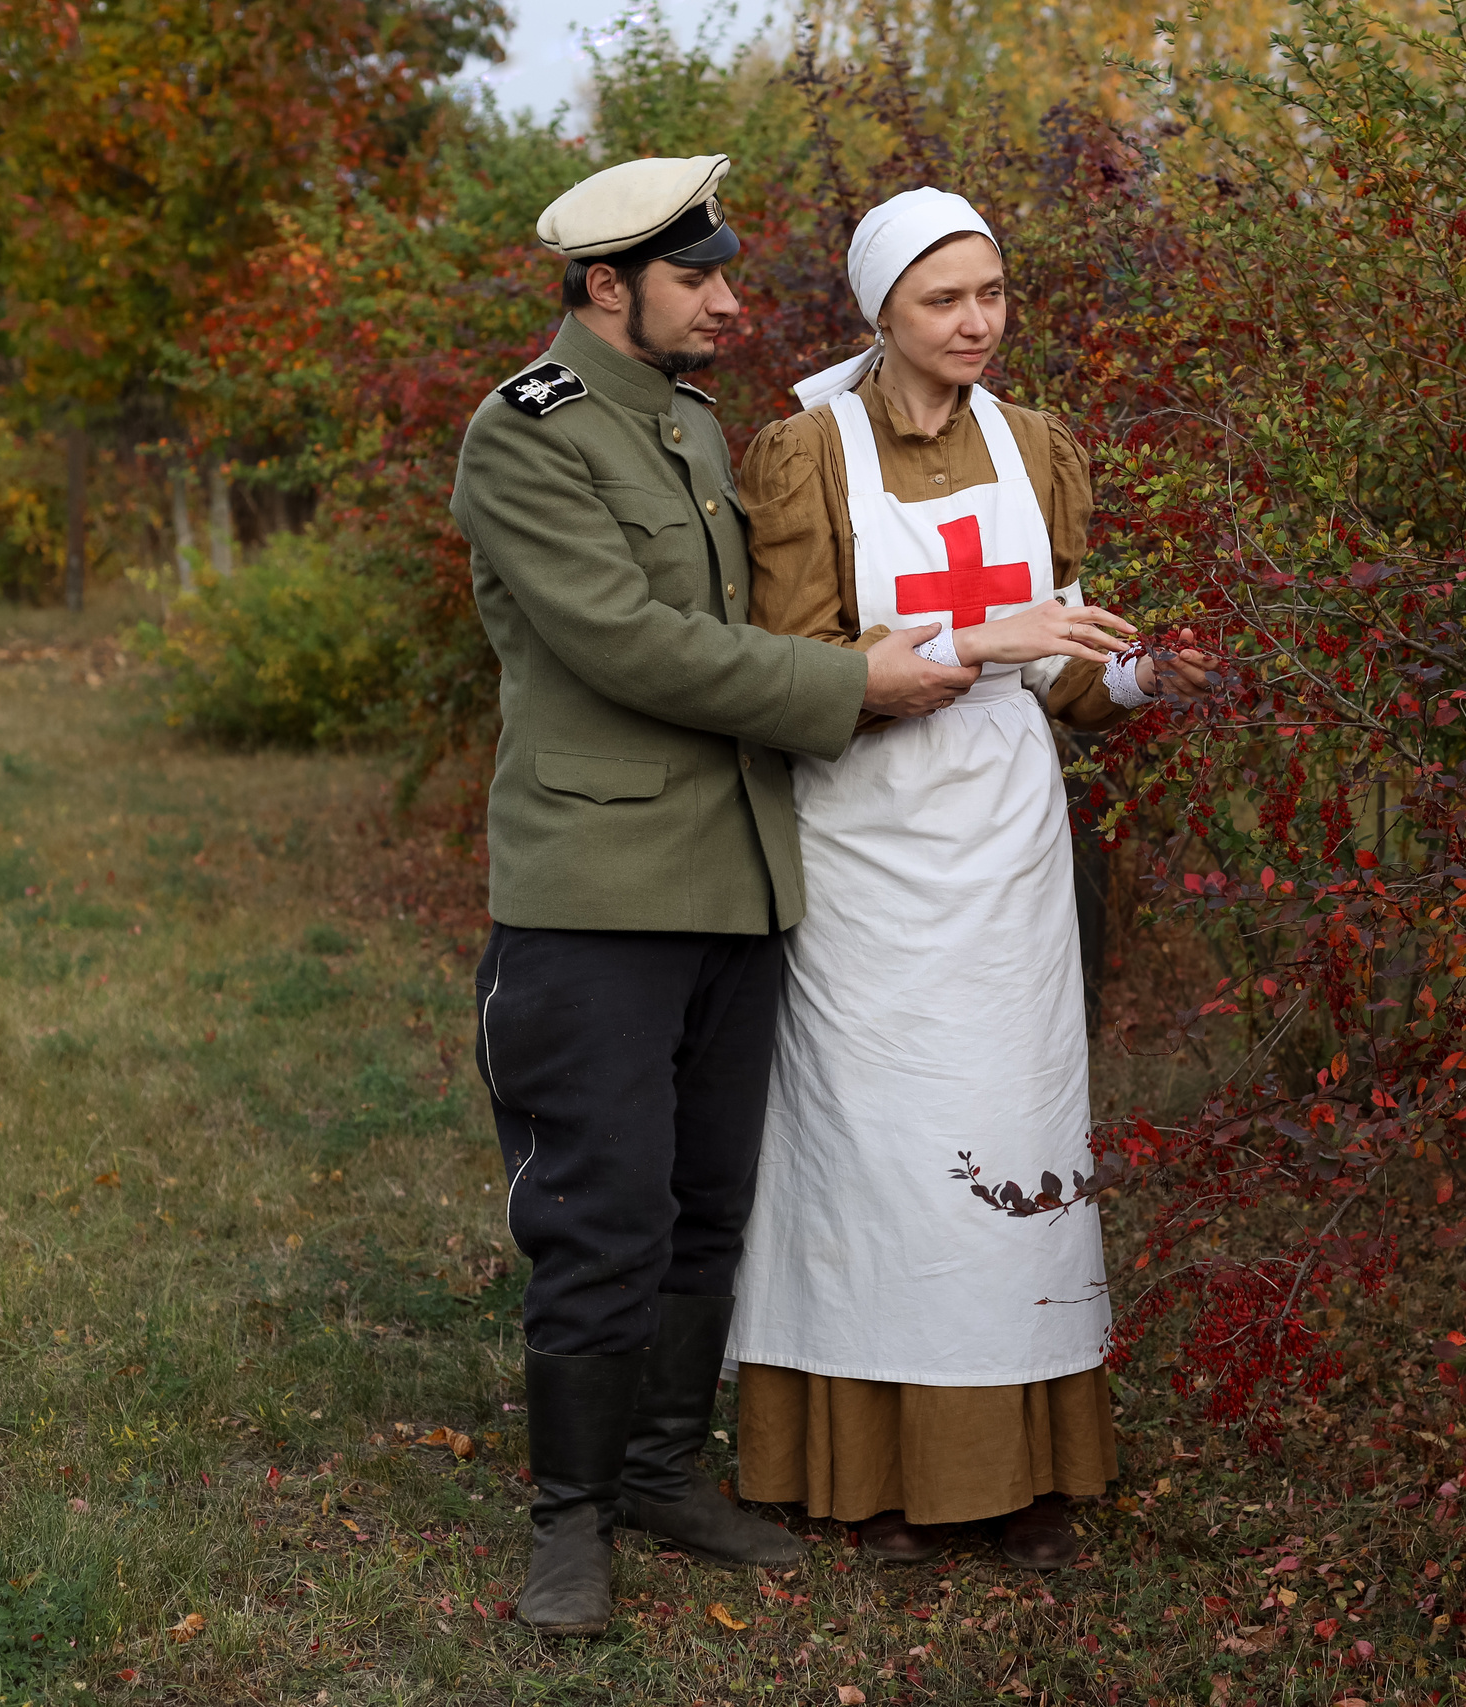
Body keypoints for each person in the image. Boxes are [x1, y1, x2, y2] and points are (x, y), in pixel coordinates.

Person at [448, 155, 980, 1637]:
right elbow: (632, 643)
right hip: (597, 891)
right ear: (606, 286)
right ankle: (569, 1524)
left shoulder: (686, 422)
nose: (731, 303)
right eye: (698, 280)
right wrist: (847, 685)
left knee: (704, 1204)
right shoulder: (525, 434)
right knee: (599, 1209)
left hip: (736, 879)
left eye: (725, 275)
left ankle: (660, 1474)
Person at [726, 187, 1215, 1569]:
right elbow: (792, 671)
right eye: (944, 300)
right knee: (875, 1150)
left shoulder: (1036, 446)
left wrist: (1147, 675)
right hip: (866, 846)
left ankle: (1022, 1466)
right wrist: (979, 640)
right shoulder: (807, 454)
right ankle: (871, 1472)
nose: (977, 322)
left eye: (992, 294)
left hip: (1008, 851)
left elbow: (1058, 672)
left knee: (1016, 1132)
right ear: (880, 310)